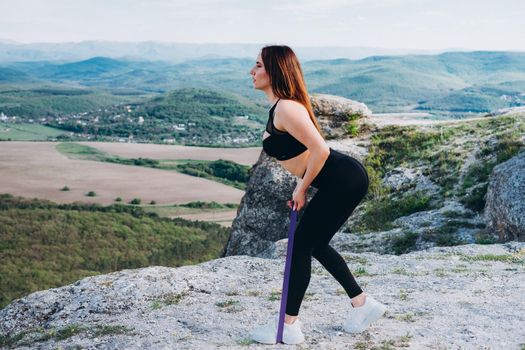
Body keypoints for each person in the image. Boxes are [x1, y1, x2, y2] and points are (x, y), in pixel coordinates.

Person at [248, 45, 387, 345]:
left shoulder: (286, 107)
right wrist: (306, 184)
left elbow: (321, 150)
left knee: (300, 245)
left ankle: (289, 326)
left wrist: (301, 187)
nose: (252, 71)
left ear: (274, 71)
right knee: (314, 243)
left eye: (258, 65)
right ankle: (362, 304)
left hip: (344, 178)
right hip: (340, 180)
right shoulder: (282, 107)